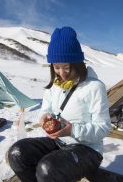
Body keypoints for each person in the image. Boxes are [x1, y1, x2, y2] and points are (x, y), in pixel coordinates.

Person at [7, 26, 112, 182]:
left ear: (77, 63)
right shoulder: (55, 86)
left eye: (67, 67)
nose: (61, 73)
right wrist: (43, 117)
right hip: (58, 142)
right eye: (56, 67)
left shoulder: (94, 87)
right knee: (17, 153)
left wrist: (73, 130)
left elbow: (103, 127)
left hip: (88, 149)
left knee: (47, 169)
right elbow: (46, 109)